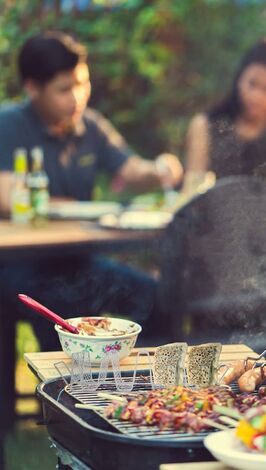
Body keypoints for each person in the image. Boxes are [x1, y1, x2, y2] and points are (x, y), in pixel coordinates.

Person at [0, 31, 183, 350]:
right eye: (64, 89)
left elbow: (131, 170)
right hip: (23, 264)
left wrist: (159, 169)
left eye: (83, 84)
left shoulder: (91, 125)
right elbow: (7, 198)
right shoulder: (9, 125)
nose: (77, 97)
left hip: (80, 260)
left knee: (154, 297)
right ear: (32, 87)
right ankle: (64, 394)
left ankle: (149, 391)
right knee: (65, 312)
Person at [183, 35, 266, 193]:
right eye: (252, 83)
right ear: (239, 78)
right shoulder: (205, 124)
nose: (256, 96)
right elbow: (192, 191)